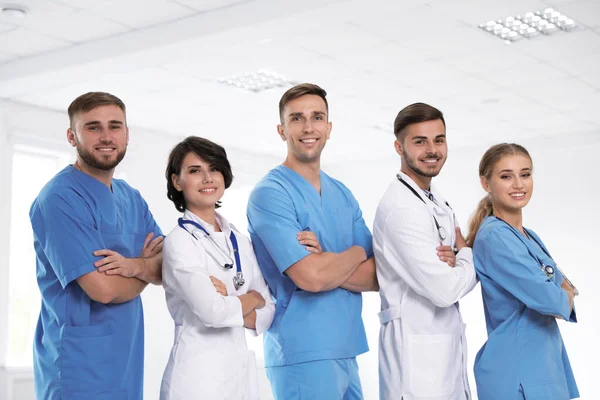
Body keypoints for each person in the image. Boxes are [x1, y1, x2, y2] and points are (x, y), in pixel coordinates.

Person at [246, 83, 377, 400]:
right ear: (282, 130)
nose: (308, 127)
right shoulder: (271, 193)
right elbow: (311, 277)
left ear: (329, 128)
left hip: (347, 347)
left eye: (317, 117)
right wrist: (357, 252)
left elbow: (378, 275)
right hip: (301, 350)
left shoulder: (342, 193)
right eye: (297, 118)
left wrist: (329, 258)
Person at [29, 92, 163, 400]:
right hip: (78, 367)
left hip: (125, 364)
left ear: (127, 134)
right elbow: (102, 290)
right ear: (71, 136)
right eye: (93, 127)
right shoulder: (58, 199)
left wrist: (134, 266)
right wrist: (147, 270)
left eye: (115, 126)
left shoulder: (130, 196)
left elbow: (168, 264)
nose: (106, 136)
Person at [373, 102, 477, 400]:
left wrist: (458, 262)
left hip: (439, 358)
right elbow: (445, 290)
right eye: (420, 141)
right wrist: (467, 255)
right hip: (416, 365)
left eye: (439, 140)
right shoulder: (401, 209)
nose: (432, 149)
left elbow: (452, 275)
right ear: (399, 146)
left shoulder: (432, 199)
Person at [159, 136, 275, 400]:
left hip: (238, 377)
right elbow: (213, 313)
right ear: (178, 182)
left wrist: (231, 303)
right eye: (194, 171)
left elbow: (268, 311)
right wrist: (250, 298)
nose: (207, 178)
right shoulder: (179, 241)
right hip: (196, 380)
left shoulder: (240, 241)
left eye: (213, 168)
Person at [467, 143, 579, 400]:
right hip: (518, 369)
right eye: (506, 176)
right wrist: (562, 293)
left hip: (542, 363)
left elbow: (565, 290)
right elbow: (553, 298)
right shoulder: (495, 236)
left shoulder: (528, 236)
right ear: (486, 183)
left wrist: (563, 293)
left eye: (525, 174)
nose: (518, 184)